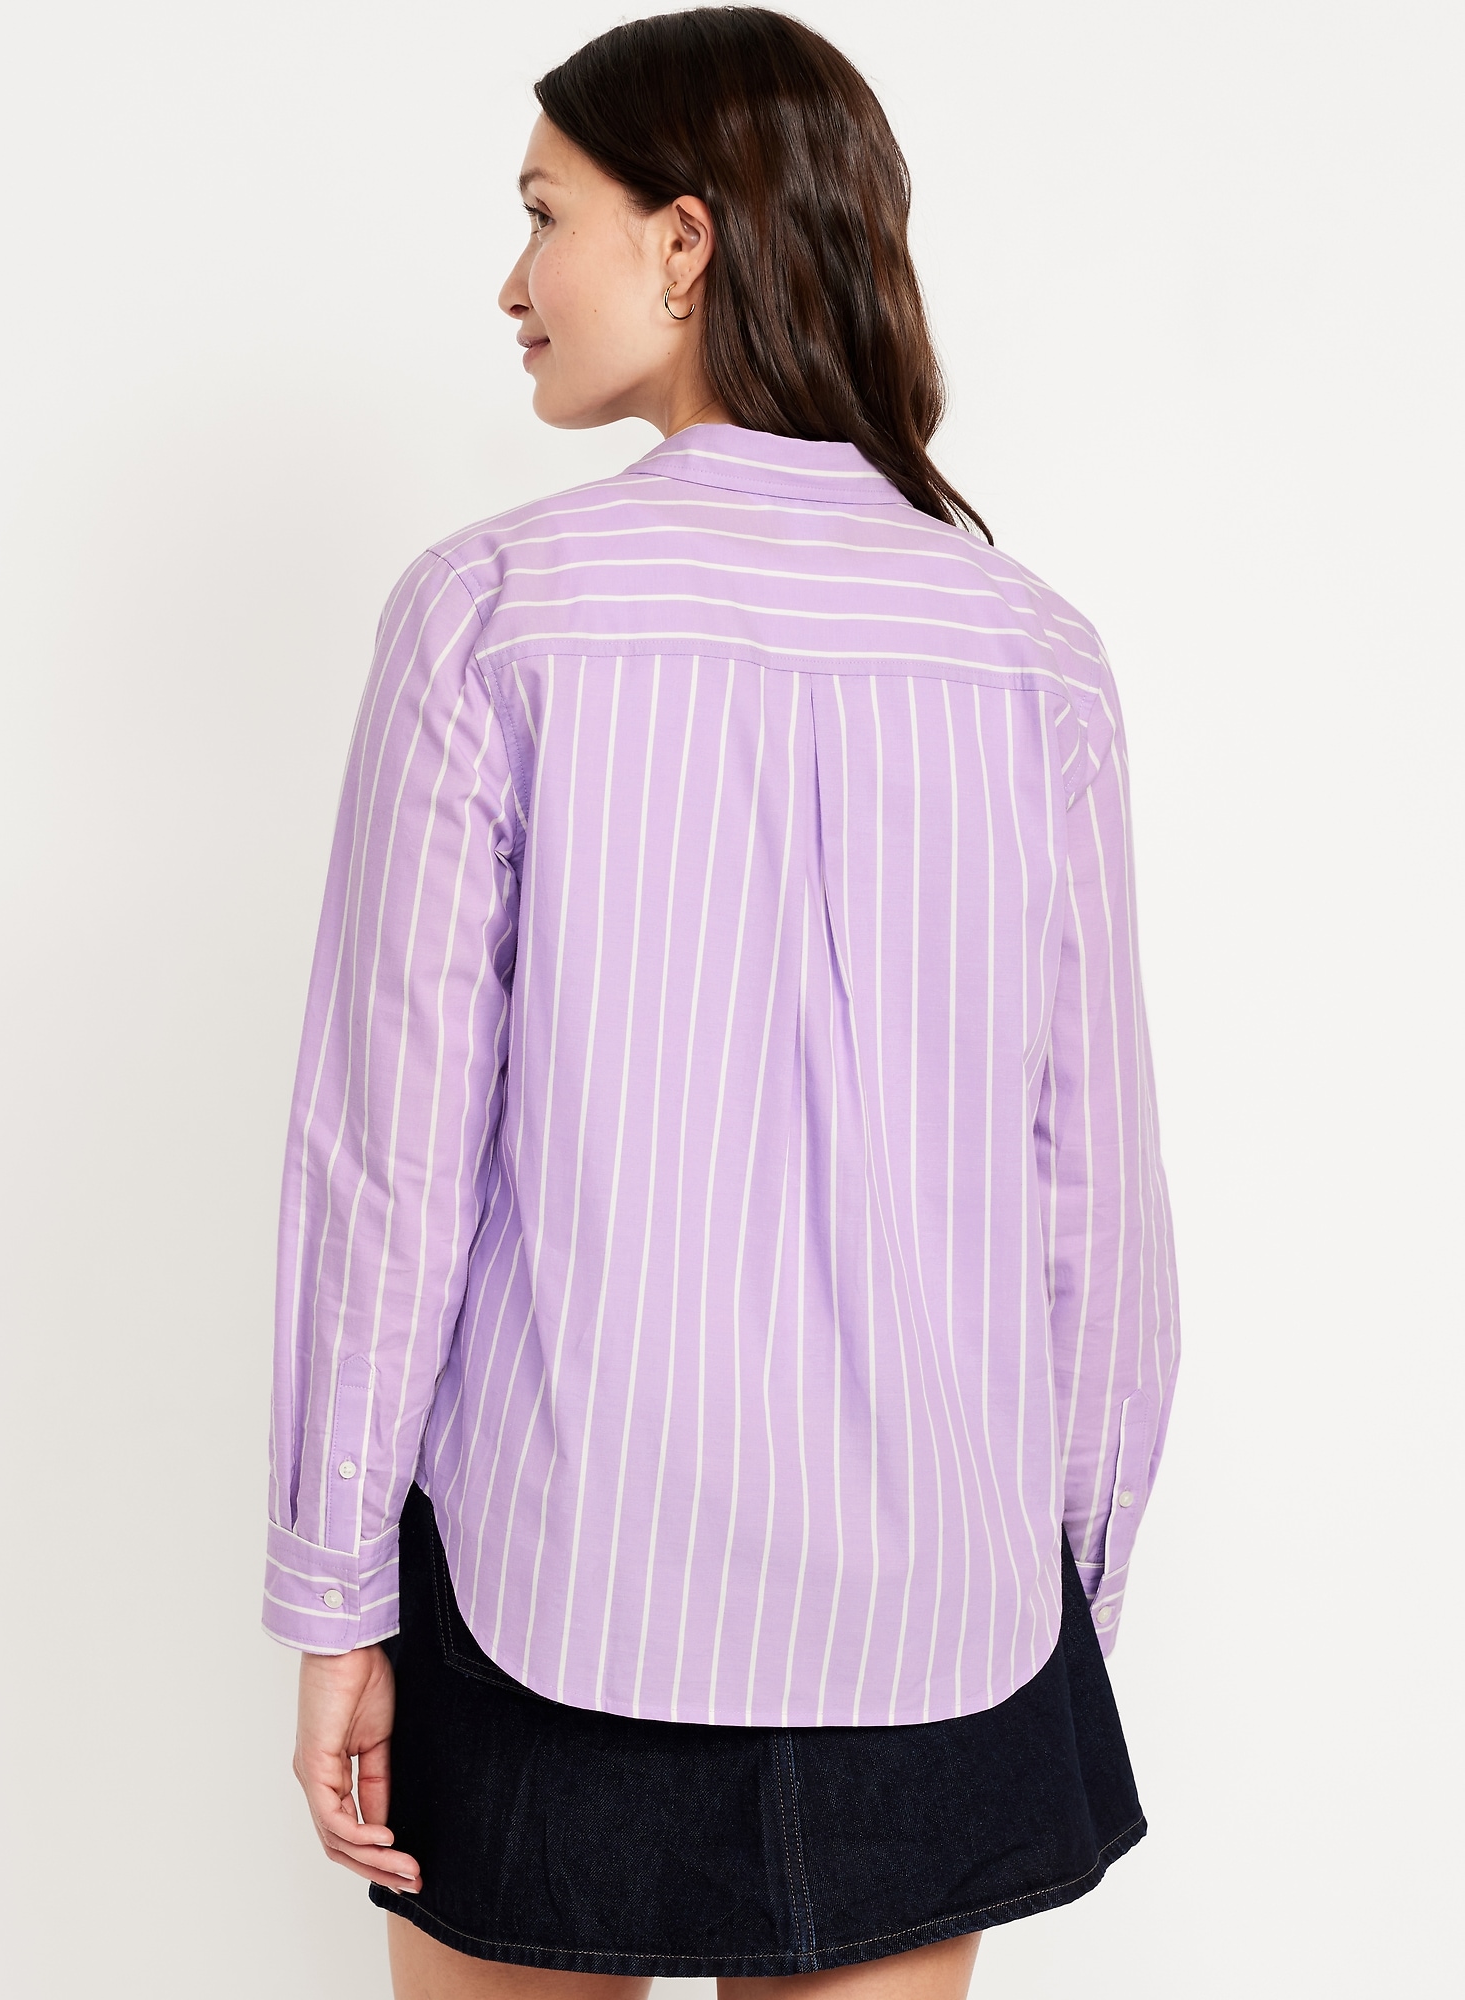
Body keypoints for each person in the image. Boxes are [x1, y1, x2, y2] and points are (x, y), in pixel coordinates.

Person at [261, 11, 1181, 1998]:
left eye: (542, 215)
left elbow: (389, 1159)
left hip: (548, 1576)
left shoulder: (494, 612)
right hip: (941, 1604)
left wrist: (335, 1590)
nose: (511, 281)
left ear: (684, 242)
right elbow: (1093, 1182)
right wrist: (1072, 1576)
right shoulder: (1033, 653)